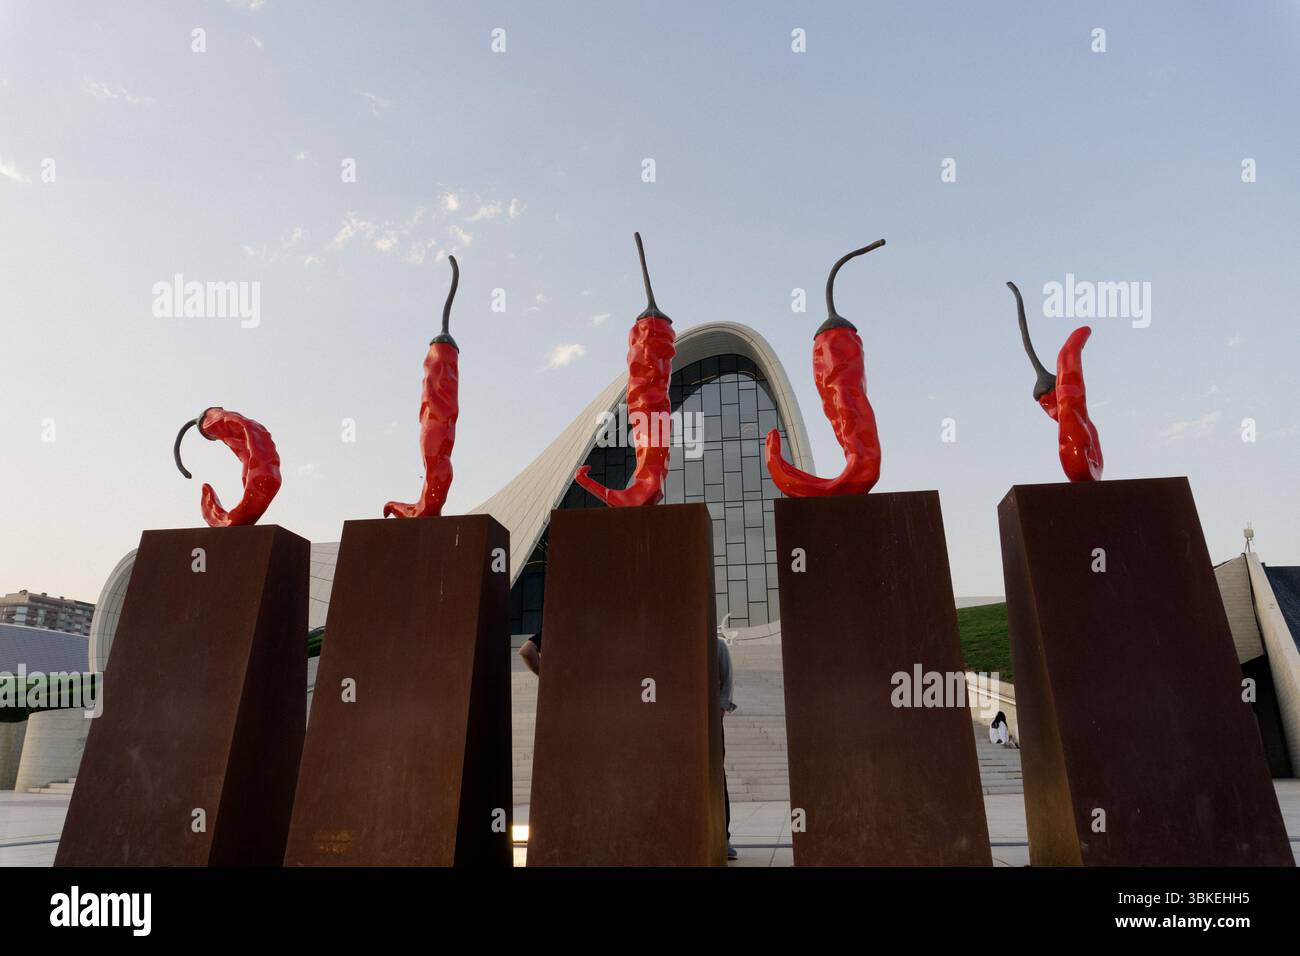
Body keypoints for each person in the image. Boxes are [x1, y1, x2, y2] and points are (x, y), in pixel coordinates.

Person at [718, 635, 737, 861]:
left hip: (712, 720)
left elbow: (727, 678)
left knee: (717, 776)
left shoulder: (718, 645)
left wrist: (721, 708)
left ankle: (723, 838)